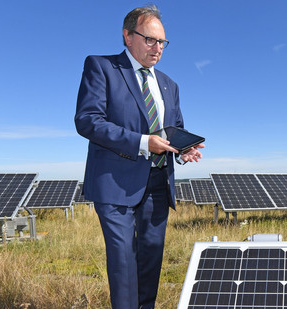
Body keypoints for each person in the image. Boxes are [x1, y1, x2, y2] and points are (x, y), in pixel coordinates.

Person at [74, 5, 203, 308]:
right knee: (124, 264)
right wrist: (144, 142)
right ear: (128, 36)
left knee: (149, 264)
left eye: (162, 43)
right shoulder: (102, 67)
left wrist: (185, 151)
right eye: (150, 40)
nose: (157, 48)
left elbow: (174, 130)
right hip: (116, 185)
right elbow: (88, 120)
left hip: (159, 186)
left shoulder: (170, 85)